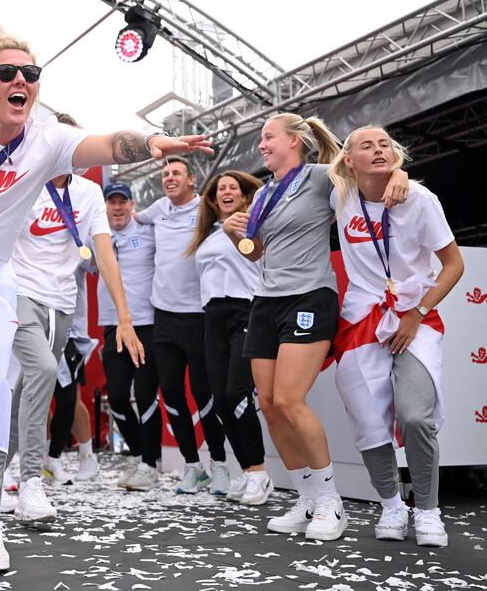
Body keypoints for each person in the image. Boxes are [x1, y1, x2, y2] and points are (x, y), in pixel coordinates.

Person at [0, 26, 211, 572]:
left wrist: (149, 145)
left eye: (30, 75)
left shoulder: (47, 137)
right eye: (7, 73)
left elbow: (106, 143)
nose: (21, 82)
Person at [223, 113, 408, 541]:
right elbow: (257, 254)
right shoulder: (265, 190)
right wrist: (238, 235)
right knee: (268, 404)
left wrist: (397, 171)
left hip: (310, 298)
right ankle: (307, 499)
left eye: (269, 137)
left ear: (294, 141)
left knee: (290, 399)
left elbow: (371, 169)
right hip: (265, 301)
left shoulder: (321, 176)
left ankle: (331, 504)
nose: (262, 145)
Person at [329, 126, 462, 547]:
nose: (378, 150)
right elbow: (297, 174)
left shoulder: (421, 200)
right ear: (349, 160)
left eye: (385, 143)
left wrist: (416, 313)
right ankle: (391, 506)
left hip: (414, 319)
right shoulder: (341, 196)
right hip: (360, 319)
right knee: (369, 424)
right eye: (366, 146)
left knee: (415, 416)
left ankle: (428, 510)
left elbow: (454, 265)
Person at [7, 152, 143, 526]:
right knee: (44, 371)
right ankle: (31, 481)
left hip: (63, 304)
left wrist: (125, 318)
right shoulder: (23, 179)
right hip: (18, 293)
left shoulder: (89, 193)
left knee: (25, 386)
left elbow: (105, 256)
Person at [139, 156, 228, 495]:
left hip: (199, 315)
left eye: (176, 173)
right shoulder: (158, 209)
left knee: (204, 394)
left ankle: (219, 464)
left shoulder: (206, 209)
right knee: (172, 394)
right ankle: (193, 467)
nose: (169, 177)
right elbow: (128, 220)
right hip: (162, 317)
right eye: (165, 174)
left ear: (192, 180)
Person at [187, 170, 271, 505]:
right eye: (220, 189)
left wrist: (242, 225)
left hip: (246, 311)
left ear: (244, 195)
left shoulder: (253, 223)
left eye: (233, 188)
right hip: (213, 316)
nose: (225, 192)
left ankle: (259, 471)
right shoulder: (206, 235)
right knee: (220, 400)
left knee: (237, 394)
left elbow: (259, 255)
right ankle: (249, 471)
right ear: (212, 198)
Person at [95, 181, 164, 490]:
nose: (118, 207)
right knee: (119, 397)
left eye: (123, 202)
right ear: (106, 206)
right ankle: (139, 455)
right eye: (113, 202)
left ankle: (150, 463)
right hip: (112, 326)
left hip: (146, 324)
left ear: (132, 205)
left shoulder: (146, 231)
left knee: (147, 396)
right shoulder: (97, 238)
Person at [45, 264, 100, 483]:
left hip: (70, 330)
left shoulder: (78, 235)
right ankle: (46, 457)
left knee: (69, 398)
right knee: (35, 397)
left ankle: (86, 456)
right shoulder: (28, 236)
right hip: (35, 326)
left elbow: (97, 264)